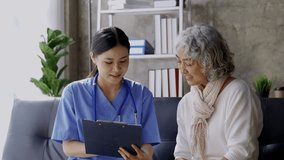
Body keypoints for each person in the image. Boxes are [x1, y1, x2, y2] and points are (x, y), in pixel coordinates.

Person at [51, 26, 160, 160]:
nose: (117, 69)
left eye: (123, 61)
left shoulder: (142, 94)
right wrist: (105, 146)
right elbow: (68, 147)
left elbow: (147, 144)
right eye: (108, 62)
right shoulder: (73, 93)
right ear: (93, 58)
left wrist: (144, 157)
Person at [174, 24, 263, 160]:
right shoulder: (186, 102)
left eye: (188, 63)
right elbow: (182, 153)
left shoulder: (238, 92)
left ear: (208, 62)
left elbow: (241, 152)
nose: (182, 69)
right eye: (179, 61)